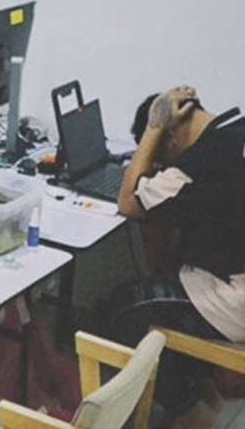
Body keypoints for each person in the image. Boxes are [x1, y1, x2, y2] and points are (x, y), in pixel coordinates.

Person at [101, 85, 245, 429]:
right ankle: (198, 396)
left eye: (159, 162)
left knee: (120, 311)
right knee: (167, 283)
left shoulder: (201, 163)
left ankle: (189, 410)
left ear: (169, 141)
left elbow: (128, 202)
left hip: (235, 298)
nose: (160, 169)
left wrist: (153, 128)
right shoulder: (234, 133)